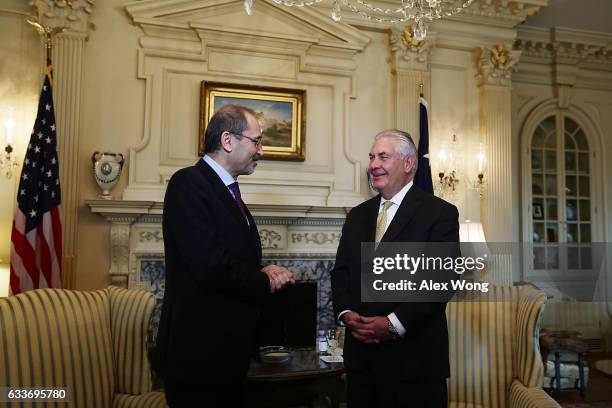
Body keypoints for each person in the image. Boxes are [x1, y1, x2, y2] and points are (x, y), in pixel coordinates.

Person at [153, 104, 295, 407]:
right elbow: (208, 263)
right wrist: (263, 281)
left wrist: (263, 268)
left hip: (225, 355)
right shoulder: (188, 183)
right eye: (256, 141)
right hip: (198, 356)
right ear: (228, 140)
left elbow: (230, 254)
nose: (261, 150)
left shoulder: (226, 189)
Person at [331, 129, 459, 408]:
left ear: (408, 163)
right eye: (371, 156)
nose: (373, 164)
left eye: (383, 156)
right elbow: (341, 272)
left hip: (415, 364)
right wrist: (345, 313)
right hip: (362, 363)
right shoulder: (357, 215)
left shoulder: (440, 214)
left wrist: (392, 324)